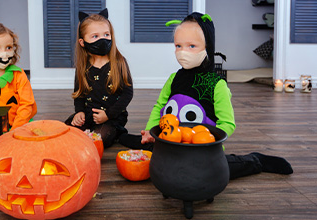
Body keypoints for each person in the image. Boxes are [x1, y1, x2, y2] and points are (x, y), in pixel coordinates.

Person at [119, 12, 293, 179]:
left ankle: (256, 161)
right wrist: (151, 129)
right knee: (153, 159)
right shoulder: (174, 78)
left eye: (192, 46)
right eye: (178, 46)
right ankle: (134, 138)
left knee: (215, 171)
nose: (182, 52)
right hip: (171, 142)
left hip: (202, 149)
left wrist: (205, 141)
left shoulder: (217, 84)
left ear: (208, 47)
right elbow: (159, 106)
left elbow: (227, 123)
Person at [65, 8, 133, 148]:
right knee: (67, 129)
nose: (102, 39)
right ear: (82, 42)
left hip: (112, 117)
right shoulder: (83, 66)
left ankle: (117, 132)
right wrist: (80, 112)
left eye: (106, 35)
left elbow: (127, 93)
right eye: (95, 36)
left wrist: (108, 114)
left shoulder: (119, 62)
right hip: (89, 115)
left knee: (100, 139)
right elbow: (79, 94)